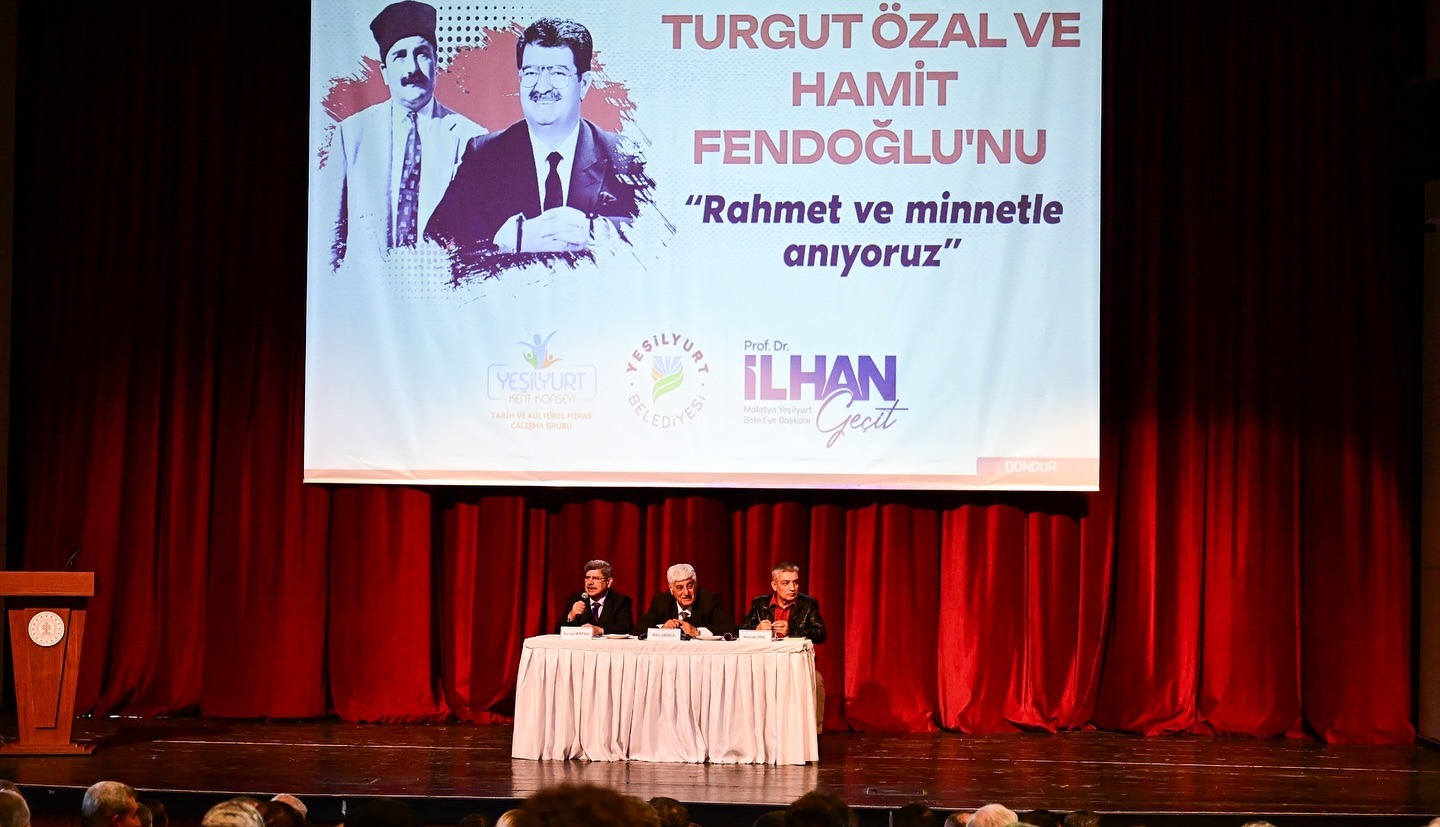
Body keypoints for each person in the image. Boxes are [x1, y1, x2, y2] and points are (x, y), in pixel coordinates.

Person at [426, 18, 650, 264]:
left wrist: (595, 233)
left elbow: (662, 236)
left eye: (558, 73)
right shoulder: (484, 155)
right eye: (531, 73)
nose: (542, 87)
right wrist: (509, 240)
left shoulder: (625, 156)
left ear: (584, 84)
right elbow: (437, 243)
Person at [324, 1, 486, 268]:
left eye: (422, 54)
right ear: (385, 73)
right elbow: (329, 239)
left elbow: (479, 235)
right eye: (399, 56)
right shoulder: (350, 135)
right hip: (369, 287)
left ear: (436, 63)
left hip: (442, 287)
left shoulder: (473, 139)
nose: (412, 68)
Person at [638, 564, 737, 638]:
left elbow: (730, 628)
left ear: (695, 585)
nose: (686, 593)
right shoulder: (661, 601)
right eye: (679, 587)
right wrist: (662, 629)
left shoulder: (709, 600)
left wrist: (697, 632)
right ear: (671, 589)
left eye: (690, 586)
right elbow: (638, 628)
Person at [739, 562, 826, 643]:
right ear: (774, 585)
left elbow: (820, 634)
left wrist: (791, 631)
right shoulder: (759, 603)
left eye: (795, 582)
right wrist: (756, 629)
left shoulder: (808, 604)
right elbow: (739, 630)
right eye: (785, 583)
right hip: (766, 652)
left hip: (794, 653)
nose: (792, 588)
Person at [557, 559, 634, 635]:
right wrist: (571, 615)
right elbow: (557, 631)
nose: (590, 582)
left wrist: (600, 630)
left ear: (608, 582)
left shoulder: (620, 601)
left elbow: (625, 628)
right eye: (587, 578)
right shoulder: (576, 599)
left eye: (596, 578)